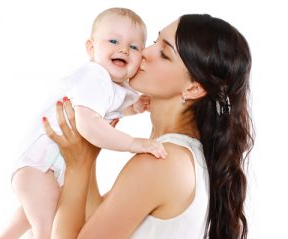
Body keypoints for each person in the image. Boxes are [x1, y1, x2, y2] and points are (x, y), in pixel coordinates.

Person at [43, 14, 253, 239]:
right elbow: (97, 223)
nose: (143, 52)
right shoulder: (182, 155)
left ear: (193, 89)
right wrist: (89, 154)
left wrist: (78, 167)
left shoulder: (161, 161)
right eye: (155, 41)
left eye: (164, 53)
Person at [0, 7, 167, 239]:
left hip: (49, 167)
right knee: (46, 229)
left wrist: (134, 107)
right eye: (114, 40)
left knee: (36, 212)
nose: (123, 49)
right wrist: (133, 144)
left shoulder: (116, 86)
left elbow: (111, 110)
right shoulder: (93, 75)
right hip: (38, 165)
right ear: (91, 48)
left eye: (134, 46)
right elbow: (88, 125)